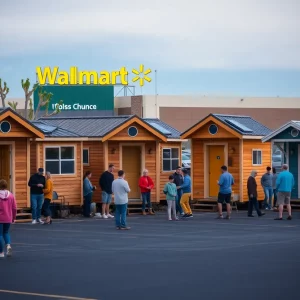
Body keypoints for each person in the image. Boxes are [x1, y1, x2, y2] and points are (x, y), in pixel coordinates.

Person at [0, 179, 17, 258]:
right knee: (6, 232)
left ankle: (1, 252)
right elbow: (14, 208)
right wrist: (13, 217)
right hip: (8, 217)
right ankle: (8, 245)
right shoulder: (11, 195)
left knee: (0, 235)